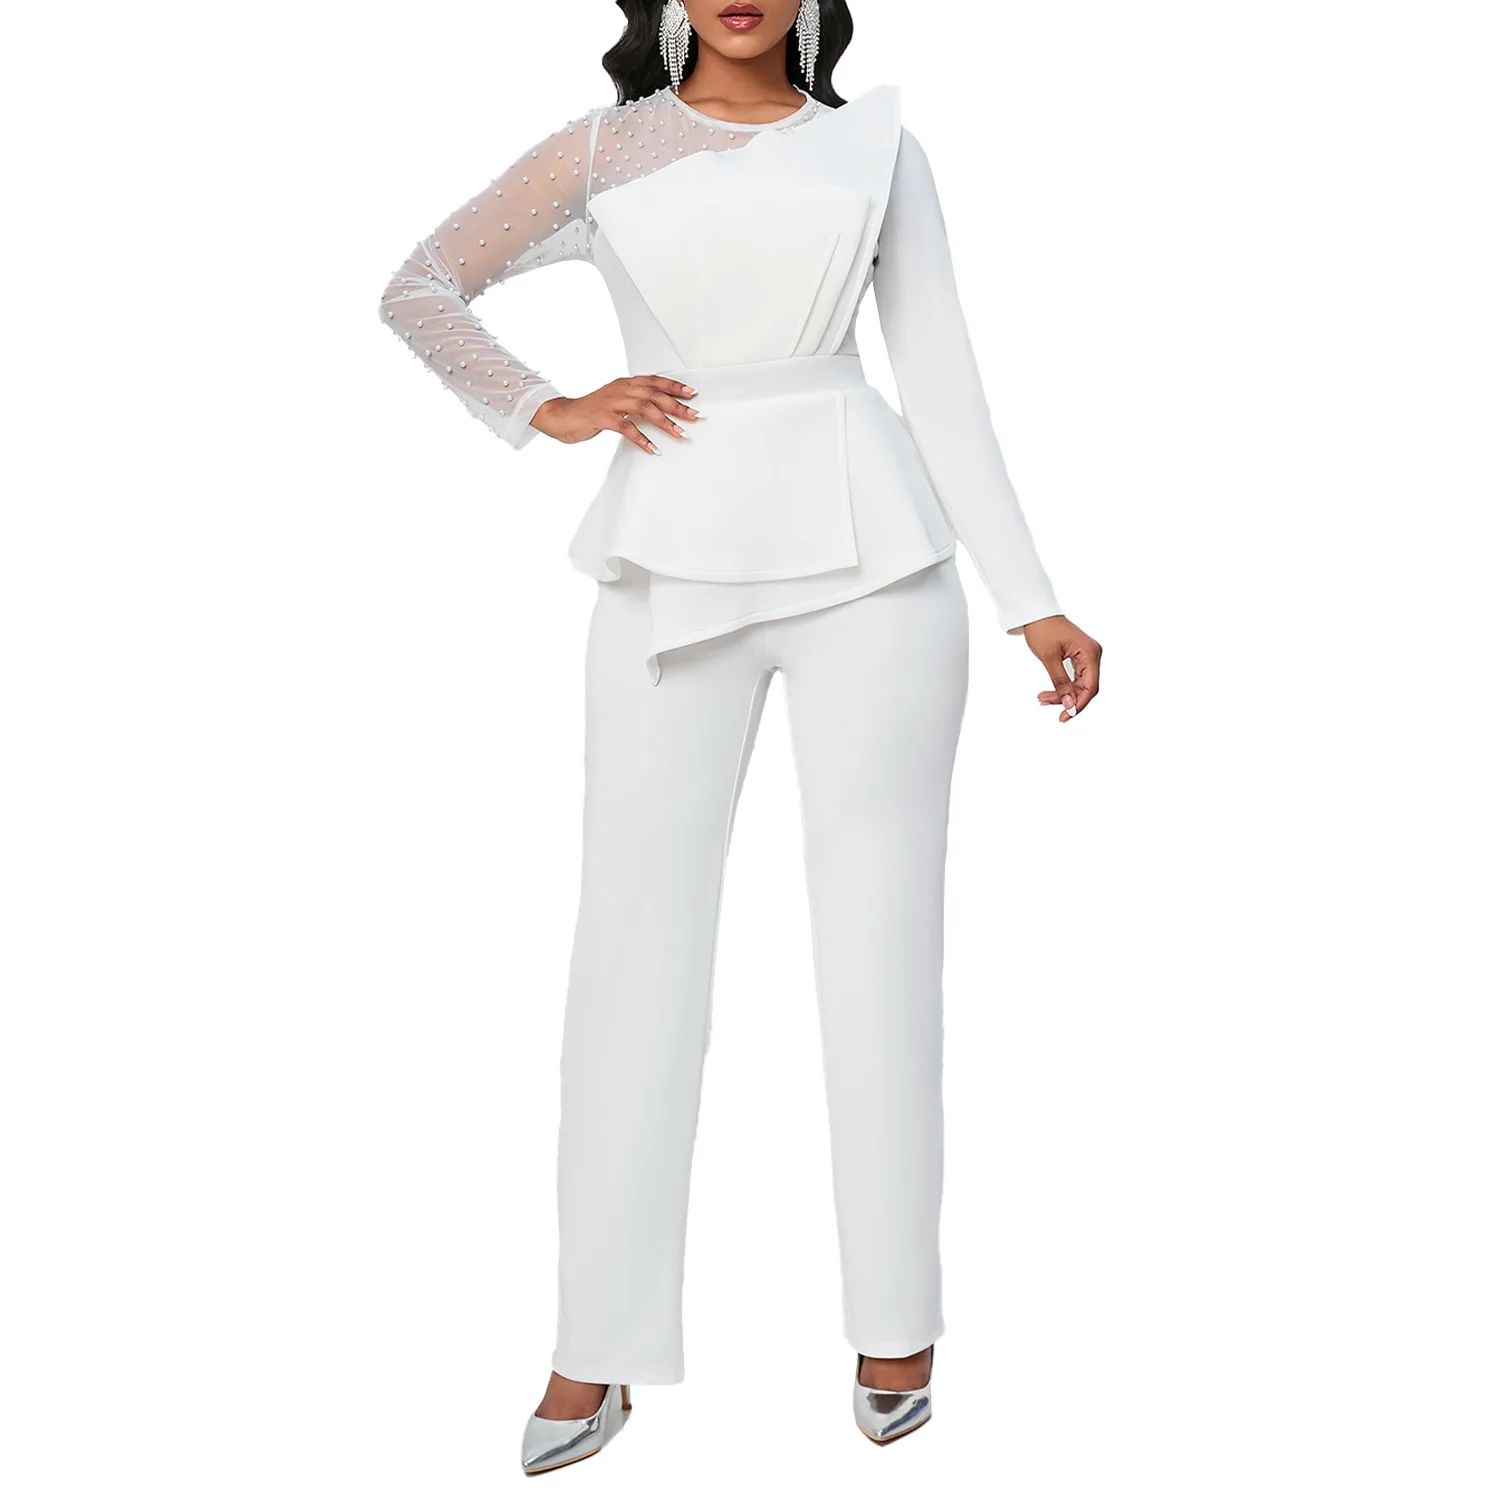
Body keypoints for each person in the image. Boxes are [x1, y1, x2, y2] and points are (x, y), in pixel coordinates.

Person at [378, 0, 1103, 1473]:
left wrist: (1032, 598)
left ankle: (897, 1322)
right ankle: (596, 1346)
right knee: (631, 952)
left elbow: (941, 378)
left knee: (881, 949)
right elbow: (422, 284)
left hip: (879, 564)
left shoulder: (877, 148)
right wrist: (548, 406)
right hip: (667, 562)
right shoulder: (603, 150)